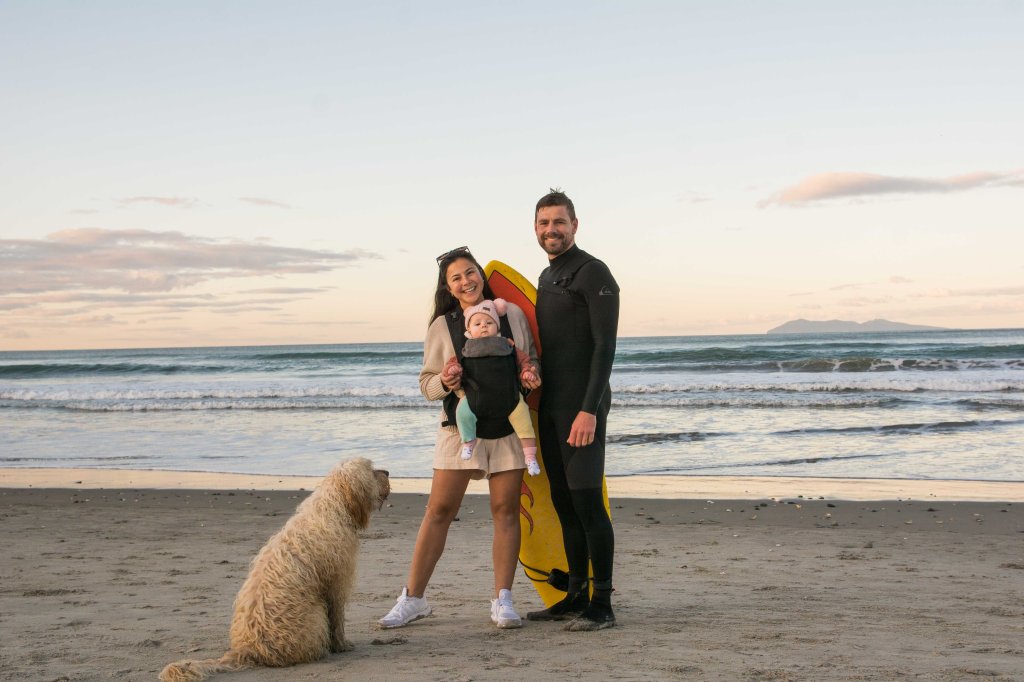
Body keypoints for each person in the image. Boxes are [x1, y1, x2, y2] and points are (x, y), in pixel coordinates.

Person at [378, 246, 542, 630]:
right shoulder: (442, 326)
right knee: (439, 511)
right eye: (456, 277)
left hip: (507, 428)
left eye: (470, 272)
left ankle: (503, 600)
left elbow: (530, 359)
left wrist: (530, 374)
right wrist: (444, 380)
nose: (466, 281)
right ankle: (412, 599)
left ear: (481, 275)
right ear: (448, 288)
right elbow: (427, 384)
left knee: (505, 511)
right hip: (459, 429)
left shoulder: (512, 315)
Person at [527, 189, 620, 631]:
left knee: (588, 504)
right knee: (564, 504)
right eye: (544, 223)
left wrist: (589, 410)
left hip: (582, 407)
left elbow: (605, 347)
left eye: (559, 222)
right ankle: (576, 594)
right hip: (551, 406)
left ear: (575, 225)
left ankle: (602, 604)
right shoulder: (546, 277)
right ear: (536, 228)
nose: (552, 230)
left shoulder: (593, 272)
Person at [450, 297, 541, 476]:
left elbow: (524, 361)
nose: (484, 325)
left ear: (497, 327)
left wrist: (527, 372)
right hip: (475, 398)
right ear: (469, 329)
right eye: (477, 323)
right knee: (462, 413)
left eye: (489, 322)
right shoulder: (466, 348)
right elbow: (455, 363)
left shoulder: (507, 345)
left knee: (524, 422)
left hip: (509, 398)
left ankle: (530, 457)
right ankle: (468, 442)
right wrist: (452, 370)